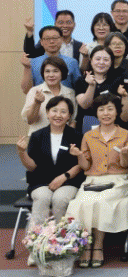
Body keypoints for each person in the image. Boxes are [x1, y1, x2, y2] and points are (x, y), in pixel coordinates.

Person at [66, 93, 128, 268]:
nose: (106, 113)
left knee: (101, 201)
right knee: (80, 202)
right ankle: (86, 244)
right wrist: (79, 155)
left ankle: (98, 245)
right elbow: (85, 166)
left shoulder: (125, 134)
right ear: (96, 113)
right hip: (93, 180)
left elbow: (125, 165)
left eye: (110, 109)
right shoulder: (88, 136)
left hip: (118, 179)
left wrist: (124, 154)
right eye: (101, 109)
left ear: (117, 112)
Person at [17, 97, 83, 236]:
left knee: (60, 199)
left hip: (68, 181)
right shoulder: (37, 136)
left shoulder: (77, 136)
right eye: (54, 110)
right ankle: (37, 241)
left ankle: (64, 241)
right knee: (42, 198)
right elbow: (32, 167)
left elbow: (80, 164)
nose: (58, 115)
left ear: (69, 116)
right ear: (47, 113)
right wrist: (22, 152)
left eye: (63, 111)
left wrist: (64, 177)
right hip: (41, 182)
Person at [22, 57, 77, 136]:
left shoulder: (70, 93)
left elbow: (72, 120)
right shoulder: (34, 91)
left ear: (62, 73)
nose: (51, 75)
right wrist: (37, 103)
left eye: (55, 71)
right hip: (38, 139)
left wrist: (68, 139)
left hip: (63, 139)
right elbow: (29, 120)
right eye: (47, 71)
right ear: (43, 73)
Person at [74, 45, 122, 133]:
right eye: (98, 59)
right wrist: (91, 85)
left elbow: (119, 107)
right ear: (91, 60)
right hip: (86, 126)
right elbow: (84, 105)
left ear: (111, 62)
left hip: (111, 126)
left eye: (106, 60)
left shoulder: (118, 80)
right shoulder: (81, 81)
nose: (101, 62)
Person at [21, 26, 81, 94]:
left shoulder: (72, 62)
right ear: (41, 42)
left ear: (61, 40)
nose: (52, 41)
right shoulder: (33, 62)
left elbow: (79, 89)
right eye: (47, 38)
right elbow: (26, 91)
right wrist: (27, 68)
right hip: (40, 99)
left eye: (55, 38)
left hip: (66, 99)